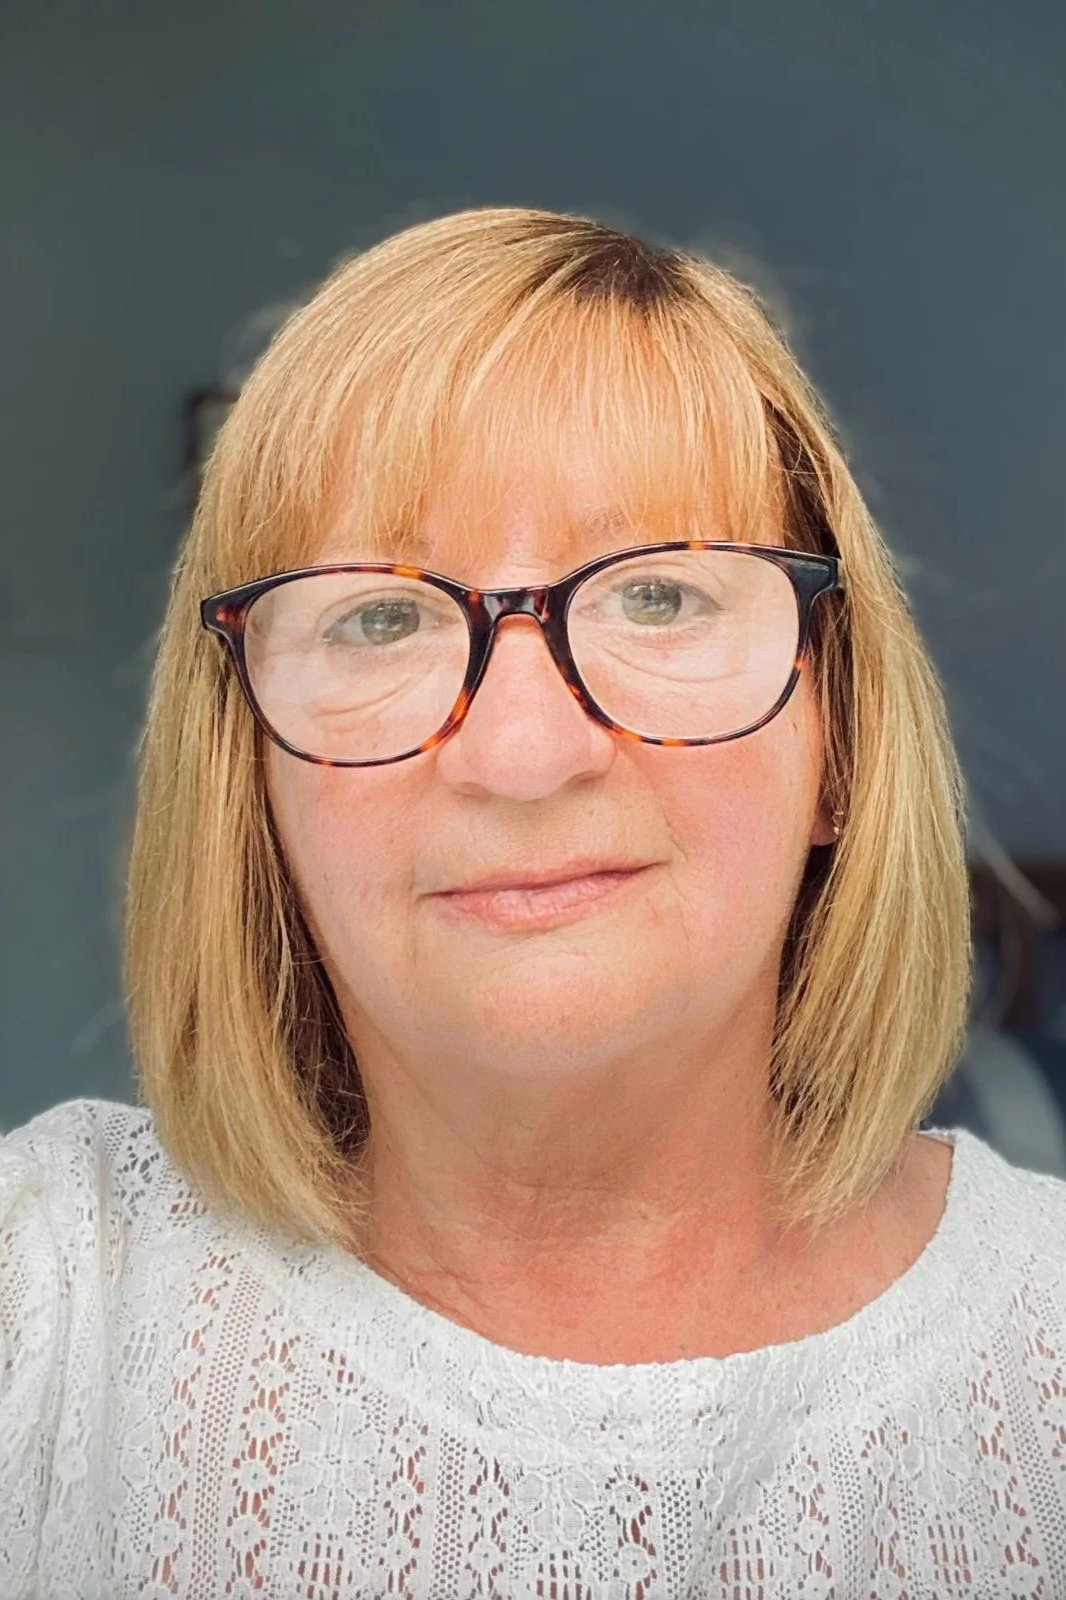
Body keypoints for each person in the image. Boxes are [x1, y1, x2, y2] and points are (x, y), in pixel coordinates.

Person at [2, 206, 1064, 1599]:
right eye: (378, 618)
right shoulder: (46, 1302)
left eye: (660, 597)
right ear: (250, 784)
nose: (520, 754)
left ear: (842, 745)